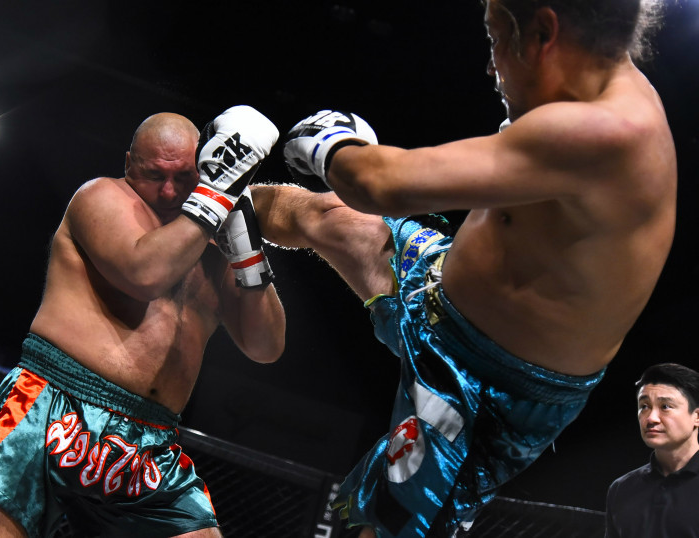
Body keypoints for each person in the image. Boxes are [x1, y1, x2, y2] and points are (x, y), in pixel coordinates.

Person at [252, 0, 676, 535]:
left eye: (496, 39)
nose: (490, 64)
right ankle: (213, 208)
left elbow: (380, 183)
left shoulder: (607, 131)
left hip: (484, 388)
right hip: (440, 283)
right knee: (330, 219)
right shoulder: (586, 69)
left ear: (544, 32)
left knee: (381, 528)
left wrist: (331, 144)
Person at [0, 106, 286, 538]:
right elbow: (145, 275)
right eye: (153, 174)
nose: (168, 191)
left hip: (149, 441)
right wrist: (214, 194)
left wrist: (248, 251)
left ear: (203, 169)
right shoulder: (100, 197)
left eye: (183, 177)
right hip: (52, 402)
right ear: (129, 165)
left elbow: (265, 346)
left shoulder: (215, 250)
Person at [605, 363, 699, 537]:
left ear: (697, 417)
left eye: (665, 407)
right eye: (644, 406)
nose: (651, 418)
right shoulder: (621, 489)